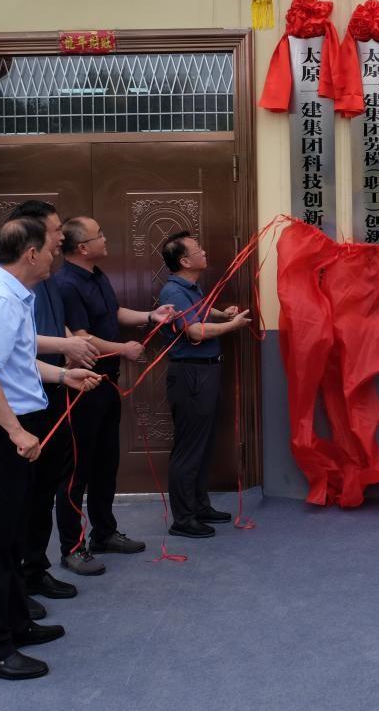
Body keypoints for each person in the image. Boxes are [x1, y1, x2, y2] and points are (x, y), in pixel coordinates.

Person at [0, 217, 101, 679]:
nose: (57, 251)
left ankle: (16, 624)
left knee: (12, 538)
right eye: (51, 246)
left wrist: (63, 374)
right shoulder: (2, 300)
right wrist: (17, 432)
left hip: (3, 431)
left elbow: (18, 359)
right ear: (31, 253)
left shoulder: (16, 296)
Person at [0, 200, 98, 608]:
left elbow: (32, 337)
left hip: (45, 390)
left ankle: (33, 569)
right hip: (15, 408)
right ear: (29, 241)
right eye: (55, 231)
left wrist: (66, 361)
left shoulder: (42, 278)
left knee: (43, 489)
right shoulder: (2, 289)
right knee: (16, 502)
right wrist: (65, 347)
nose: (61, 238)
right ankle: (15, 588)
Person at [54, 216, 175, 575]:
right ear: (82, 247)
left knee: (106, 463)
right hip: (82, 387)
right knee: (76, 471)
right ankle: (71, 547)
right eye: (100, 235)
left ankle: (104, 533)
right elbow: (81, 338)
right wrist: (123, 349)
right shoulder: (65, 284)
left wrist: (150, 316)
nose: (105, 239)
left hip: (106, 383)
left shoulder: (96, 275)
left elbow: (114, 312)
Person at [157, 231, 251, 538]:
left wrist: (223, 314)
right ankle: (183, 519)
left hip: (205, 372)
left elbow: (201, 312)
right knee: (189, 448)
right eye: (198, 249)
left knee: (203, 444)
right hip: (190, 374)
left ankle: (199, 506)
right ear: (185, 261)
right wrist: (232, 326)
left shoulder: (190, 288)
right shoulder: (173, 291)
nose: (204, 252)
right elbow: (195, 331)